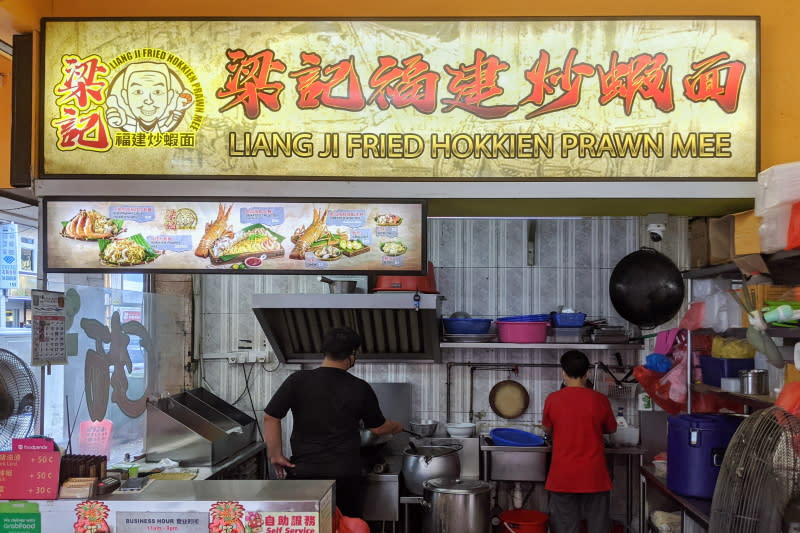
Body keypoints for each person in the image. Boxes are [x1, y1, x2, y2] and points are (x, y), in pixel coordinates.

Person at [263, 327, 403, 517]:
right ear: (352, 354)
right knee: (345, 526)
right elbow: (378, 428)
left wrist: (276, 455)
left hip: (304, 473)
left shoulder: (297, 380)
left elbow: (270, 417)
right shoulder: (359, 387)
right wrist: (397, 426)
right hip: (345, 476)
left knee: (308, 526)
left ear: (325, 351)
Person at [542, 350, 618, 533]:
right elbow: (611, 428)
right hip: (594, 475)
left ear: (563, 373)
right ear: (587, 373)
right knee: (598, 526)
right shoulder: (600, 400)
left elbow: (546, 428)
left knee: (566, 527)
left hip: (563, 475)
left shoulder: (553, 399)